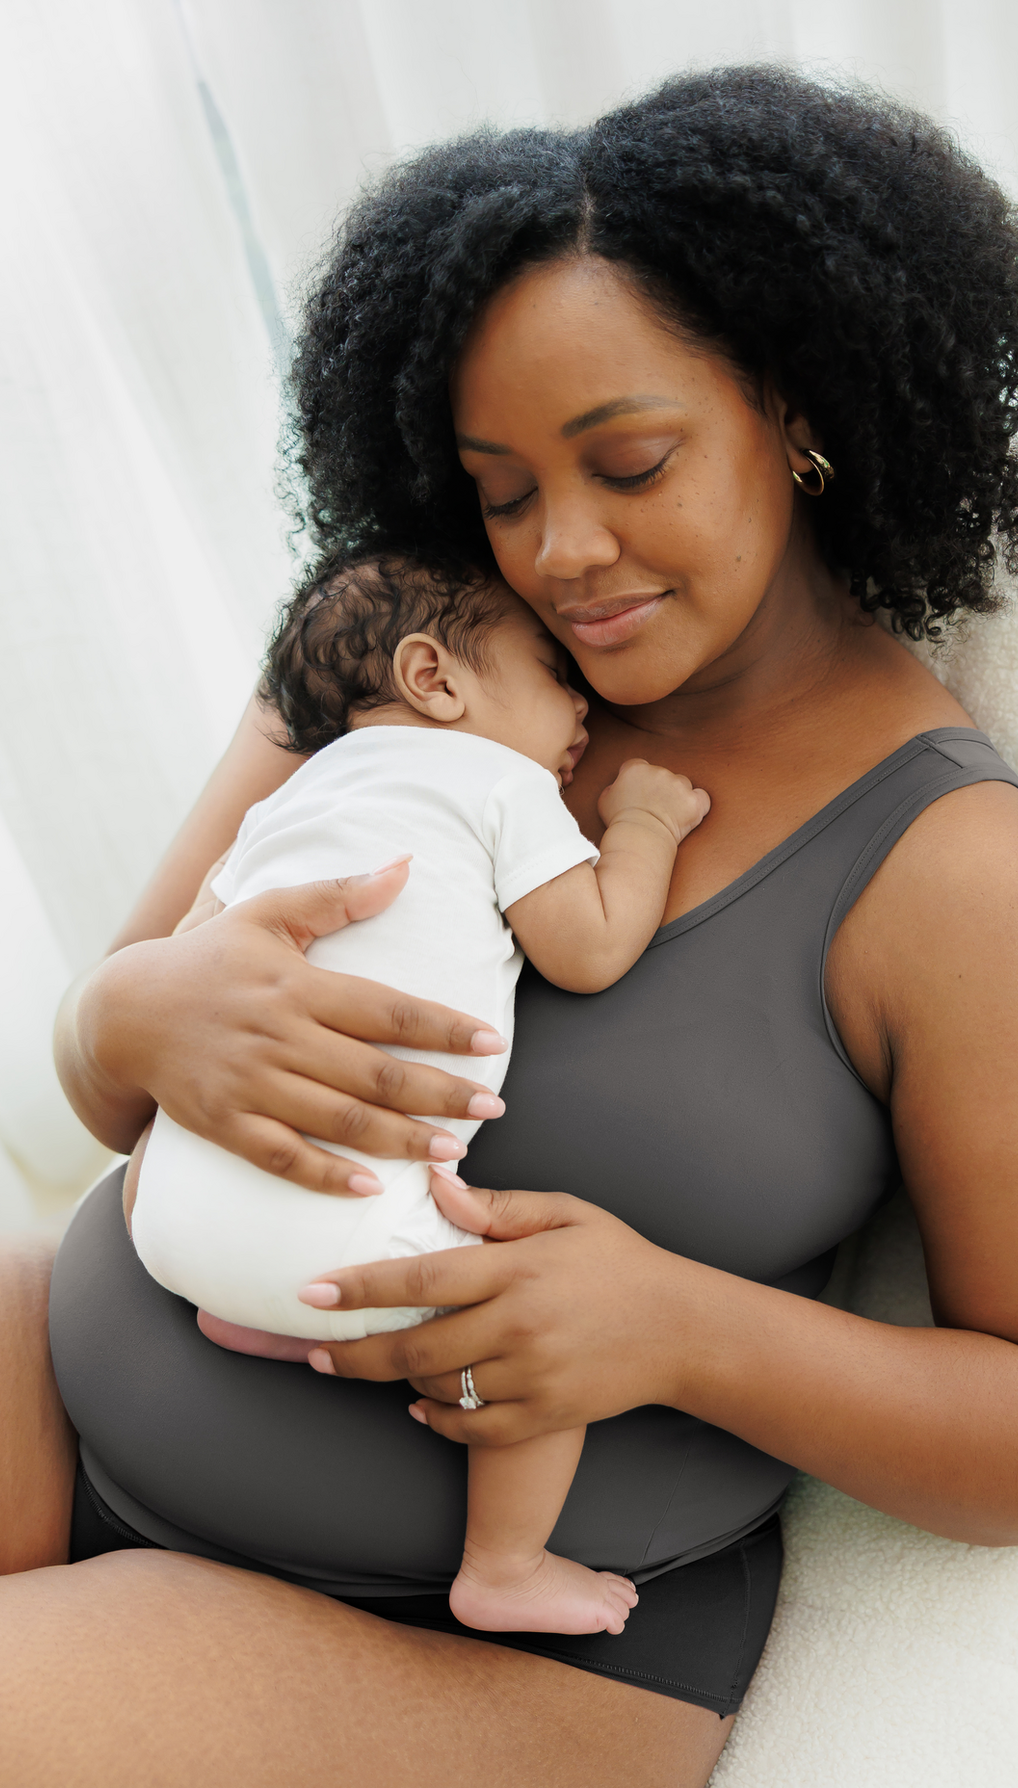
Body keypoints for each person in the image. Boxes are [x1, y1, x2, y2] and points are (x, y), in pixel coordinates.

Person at [0, 66, 1018, 1788]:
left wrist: (675, 1321)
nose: (563, 554)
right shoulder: (412, 652)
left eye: (632, 462)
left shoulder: (948, 872)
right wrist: (126, 1021)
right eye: (499, 487)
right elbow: (108, 1080)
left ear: (798, 409)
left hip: (455, 1639)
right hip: (70, 1378)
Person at [128, 553, 709, 1636]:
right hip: (347, 1243)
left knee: (219, 1162)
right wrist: (641, 827)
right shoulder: (499, 781)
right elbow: (584, 949)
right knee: (538, 1329)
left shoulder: (288, 798)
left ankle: (254, 1307)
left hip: (161, 1231)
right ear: (435, 680)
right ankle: (504, 1565)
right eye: (550, 668)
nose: (578, 698)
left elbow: (183, 963)